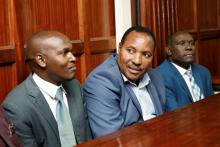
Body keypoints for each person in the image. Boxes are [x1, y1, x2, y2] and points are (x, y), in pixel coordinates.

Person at [3, 30, 92, 147]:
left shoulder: (75, 87)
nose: (73, 58)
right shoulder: (16, 107)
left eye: (71, 52)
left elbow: (87, 138)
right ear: (41, 60)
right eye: (65, 53)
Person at [83, 26, 166, 138]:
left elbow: (165, 121)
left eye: (146, 55)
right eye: (130, 51)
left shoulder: (156, 76)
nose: (137, 61)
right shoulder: (101, 81)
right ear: (119, 48)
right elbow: (112, 139)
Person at [156, 31, 214, 111]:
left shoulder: (203, 71)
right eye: (182, 43)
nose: (189, 47)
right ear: (169, 50)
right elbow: (174, 113)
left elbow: (211, 105)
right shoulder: (160, 76)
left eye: (192, 43)